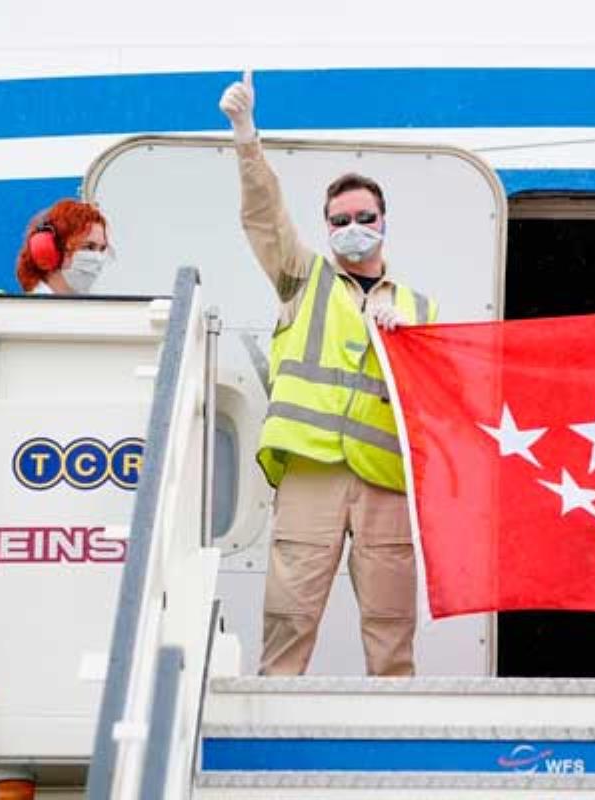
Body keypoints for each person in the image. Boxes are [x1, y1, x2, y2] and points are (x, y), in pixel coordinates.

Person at [219, 70, 437, 677]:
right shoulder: (302, 277)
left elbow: (437, 400)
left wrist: (408, 343)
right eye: (338, 220)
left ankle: (396, 748)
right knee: (290, 619)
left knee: (392, 626)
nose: (350, 228)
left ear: (384, 220)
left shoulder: (420, 307)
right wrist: (246, 138)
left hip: (385, 479)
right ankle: (274, 738)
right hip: (313, 470)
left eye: (362, 216)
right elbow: (265, 218)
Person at [15, 199, 112, 294]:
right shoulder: (28, 309)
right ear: (50, 251)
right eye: (88, 247)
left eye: (102, 249)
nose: (98, 259)